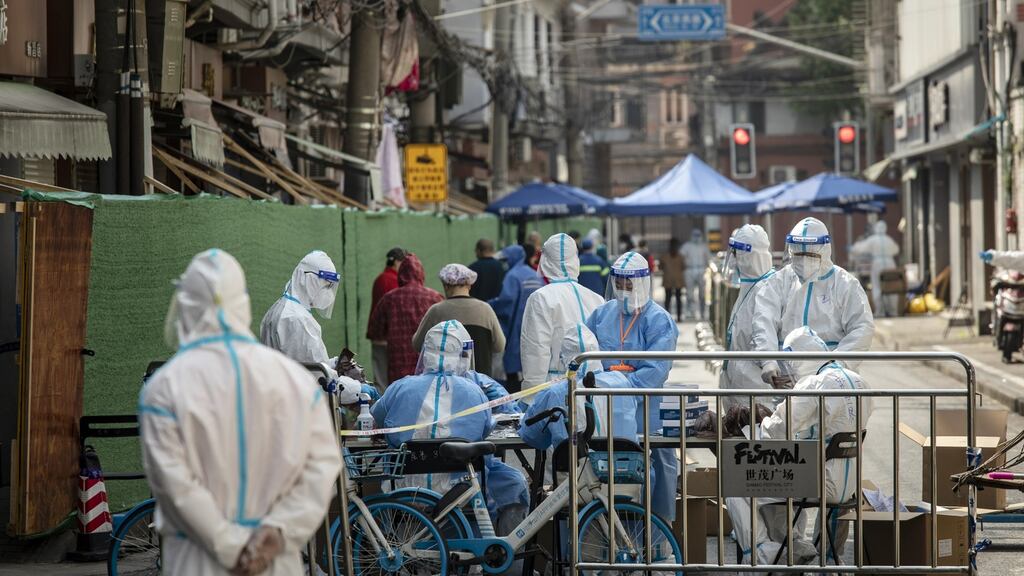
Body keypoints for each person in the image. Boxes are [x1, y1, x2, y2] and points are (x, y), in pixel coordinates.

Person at [139, 249, 341, 575]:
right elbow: (323, 468)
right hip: (274, 559)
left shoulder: (165, 388)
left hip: (199, 559)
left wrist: (228, 546)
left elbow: (175, 485)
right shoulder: (294, 381)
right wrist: (277, 533)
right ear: (241, 304)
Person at [726, 326, 872, 565]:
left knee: (737, 485)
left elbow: (777, 429)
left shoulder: (813, 384)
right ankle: (796, 545)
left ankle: (763, 552)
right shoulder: (859, 381)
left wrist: (758, 425)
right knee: (777, 483)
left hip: (819, 482)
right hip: (850, 484)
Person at [372, 320, 529, 534]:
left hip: (403, 488)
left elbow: (377, 418)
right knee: (514, 483)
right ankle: (502, 553)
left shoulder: (399, 388)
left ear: (425, 353)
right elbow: (484, 434)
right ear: (461, 355)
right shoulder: (475, 392)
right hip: (459, 489)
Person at [586, 251, 679, 520]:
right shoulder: (601, 315)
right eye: (620, 283)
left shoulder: (658, 320)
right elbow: (586, 356)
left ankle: (658, 532)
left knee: (658, 463)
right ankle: (609, 529)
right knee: (609, 469)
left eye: (630, 284)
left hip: (645, 408)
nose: (624, 289)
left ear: (643, 284)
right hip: (606, 409)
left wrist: (618, 383)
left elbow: (657, 369)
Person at [753, 217, 874, 384]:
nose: (803, 260)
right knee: (788, 411)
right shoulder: (779, 282)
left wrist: (837, 364)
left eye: (810, 255)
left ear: (824, 252)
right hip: (787, 379)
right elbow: (763, 322)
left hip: (832, 380)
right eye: (798, 255)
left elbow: (862, 327)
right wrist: (768, 360)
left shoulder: (844, 284)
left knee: (830, 410)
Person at [260, 250, 362, 402]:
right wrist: (358, 390)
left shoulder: (278, 310)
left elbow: (303, 363)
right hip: (297, 406)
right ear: (306, 278)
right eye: (326, 285)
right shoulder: (297, 319)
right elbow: (319, 380)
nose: (328, 292)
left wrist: (332, 363)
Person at [520, 324, 639, 451]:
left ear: (564, 357)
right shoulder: (621, 382)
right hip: (627, 466)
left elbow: (533, 437)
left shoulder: (555, 392)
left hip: (576, 467)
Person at [520, 233, 605, 393]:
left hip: (555, 390)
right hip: (595, 387)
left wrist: (531, 395)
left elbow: (535, 351)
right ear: (575, 259)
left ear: (545, 260)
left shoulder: (541, 298)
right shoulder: (596, 298)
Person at [412, 263, 506, 378]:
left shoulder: (436, 311)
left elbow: (417, 344)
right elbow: (500, 346)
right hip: (481, 381)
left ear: (446, 286)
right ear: (470, 285)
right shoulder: (485, 309)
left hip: (446, 383)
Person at [719, 225, 776, 411]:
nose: (733, 260)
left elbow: (764, 335)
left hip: (755, 391)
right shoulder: (750, 288)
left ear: (746, 256)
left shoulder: (766, 290)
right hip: (742, 387)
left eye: (735, 254)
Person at [366, 253, 444, 382]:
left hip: (397, 365)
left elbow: (375, 330)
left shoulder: (389, 298)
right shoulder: (434, 297)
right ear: (421, 273)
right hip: (426, 366)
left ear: (401, 274)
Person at [489, 244, 543, 392]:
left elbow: (506, 302)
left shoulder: (512, 276)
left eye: (506, 259)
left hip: (516, 327)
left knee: (513, 367)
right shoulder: (533, 275)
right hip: (536, 326)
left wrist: (490, 305)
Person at [367, 247, 406, 388]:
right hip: (392, 337)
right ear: (397, 262)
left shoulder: (379, 279)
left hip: (377, 336)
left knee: (380, 379)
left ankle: (379, 407)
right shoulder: (396, 281)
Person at [851, 221, 900, 317]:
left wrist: (853, 247)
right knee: (891, 286)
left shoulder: (872, 240)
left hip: (877, 263)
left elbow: (860, 248)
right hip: (890, 262)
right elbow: (896, 250)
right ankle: (893, 311)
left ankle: (880, 312)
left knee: (877, 286)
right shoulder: (889, 239)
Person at [680, 229, 711, 320]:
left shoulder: (704, 246)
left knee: (702, 293)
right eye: (695, 235)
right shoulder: (687, 246)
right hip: (689, 269)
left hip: (701, 269)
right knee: (689, 293)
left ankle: (702, 312)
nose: (697, 237)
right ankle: (691, 312)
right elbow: (681, 257)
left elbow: (708, 259)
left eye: (698, 235)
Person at [661, 237, 685, 322]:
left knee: (671, 299)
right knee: (671, 299)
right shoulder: (679, 257)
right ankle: (676, 317)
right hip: (673, 280)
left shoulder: (666, 257)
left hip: (672, 280)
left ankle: (674, 317)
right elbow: (683, 267)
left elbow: (661, 267)